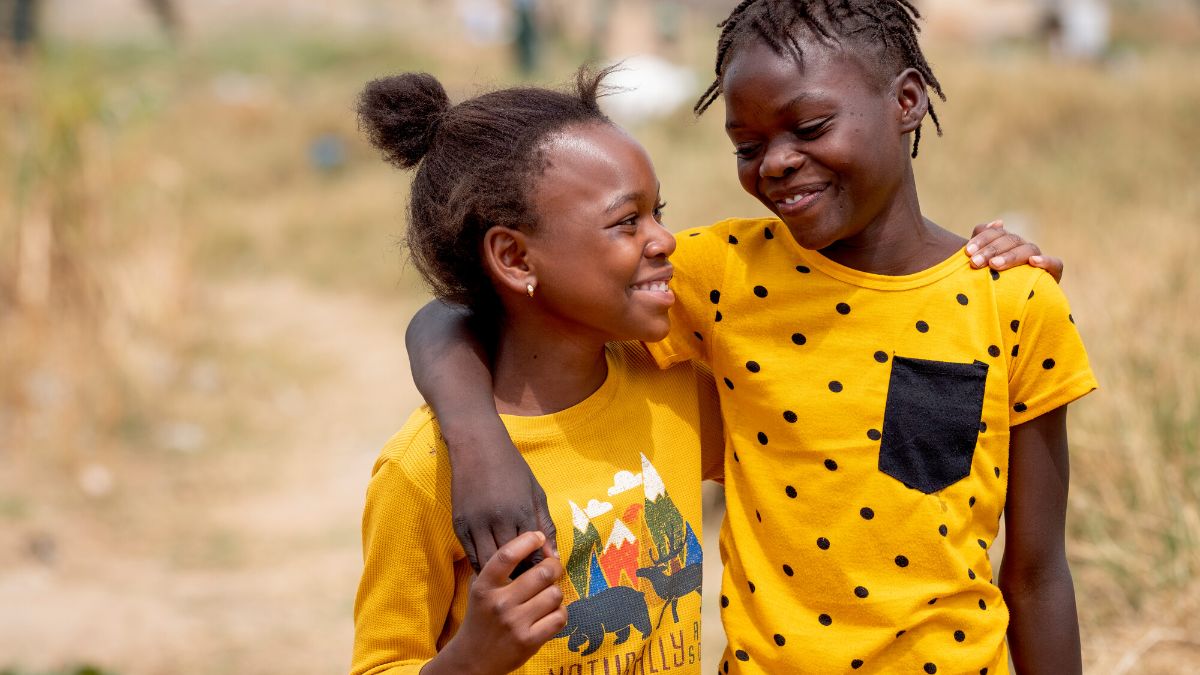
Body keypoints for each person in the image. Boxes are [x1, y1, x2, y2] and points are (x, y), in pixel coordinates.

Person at [407, 1, 1094, 673]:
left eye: (811, 125)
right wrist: (478, 445)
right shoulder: (724, 276)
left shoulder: (1013, 300)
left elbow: (1036, 574)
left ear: (907, 101)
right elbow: (459, 315)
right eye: (748, 145)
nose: (777, 163)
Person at [350, 68, 724, 675]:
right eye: (627, 221)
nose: (664, 239)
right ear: (515, 256)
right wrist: (474, 657)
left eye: (658, 212)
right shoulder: (423, 471)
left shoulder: (677, 388)